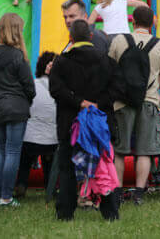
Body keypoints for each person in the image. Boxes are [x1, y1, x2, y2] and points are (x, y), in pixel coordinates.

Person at [49, 20, 118, 221]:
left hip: (70, 123)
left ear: (70, 38)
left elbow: (56, 90)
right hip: (100, 123)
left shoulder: (61, 62)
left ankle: (65, 213)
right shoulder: (107, 61)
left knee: (67, 168)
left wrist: (80, 102)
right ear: (90, 37)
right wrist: (96, 104)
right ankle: (110, 211)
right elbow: (117, 89)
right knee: (104, 165)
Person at [107, 6, 160, 205]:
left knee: (120, 150)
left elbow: (109, 70)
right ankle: (139, 194)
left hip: (122, 103)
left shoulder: (119, 40)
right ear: (152, 23)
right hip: (149, 102)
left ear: (133, 22)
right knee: (144, 150)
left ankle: (117, 192)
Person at [0, 13, 35, 207]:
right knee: (13, 152)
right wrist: (27, 100)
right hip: (16, 106)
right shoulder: (16, 55)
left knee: (2, 152)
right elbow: (29, 85)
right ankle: (6, 196)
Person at [16, 52, 58, 198]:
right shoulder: (60, 88)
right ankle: (49, 187)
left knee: (25, 161)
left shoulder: (32, 85)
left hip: (29, 138)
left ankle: (21, 184)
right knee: (49, 163)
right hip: (52, 140)